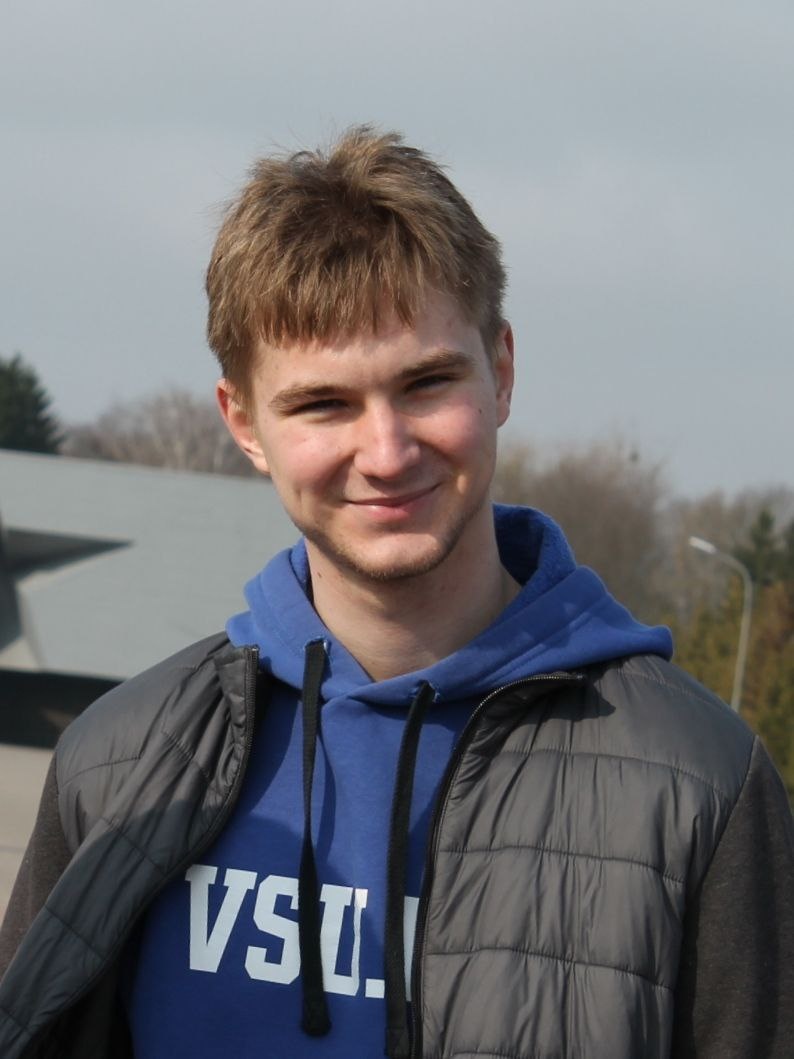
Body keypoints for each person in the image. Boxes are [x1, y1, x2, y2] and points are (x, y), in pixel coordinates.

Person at [0, 127, 791, 1059]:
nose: (386, 453)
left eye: (426, 383)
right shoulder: (116, 763)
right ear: (244, 423)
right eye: (323, 403)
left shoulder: (700, 783)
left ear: (501, 371)